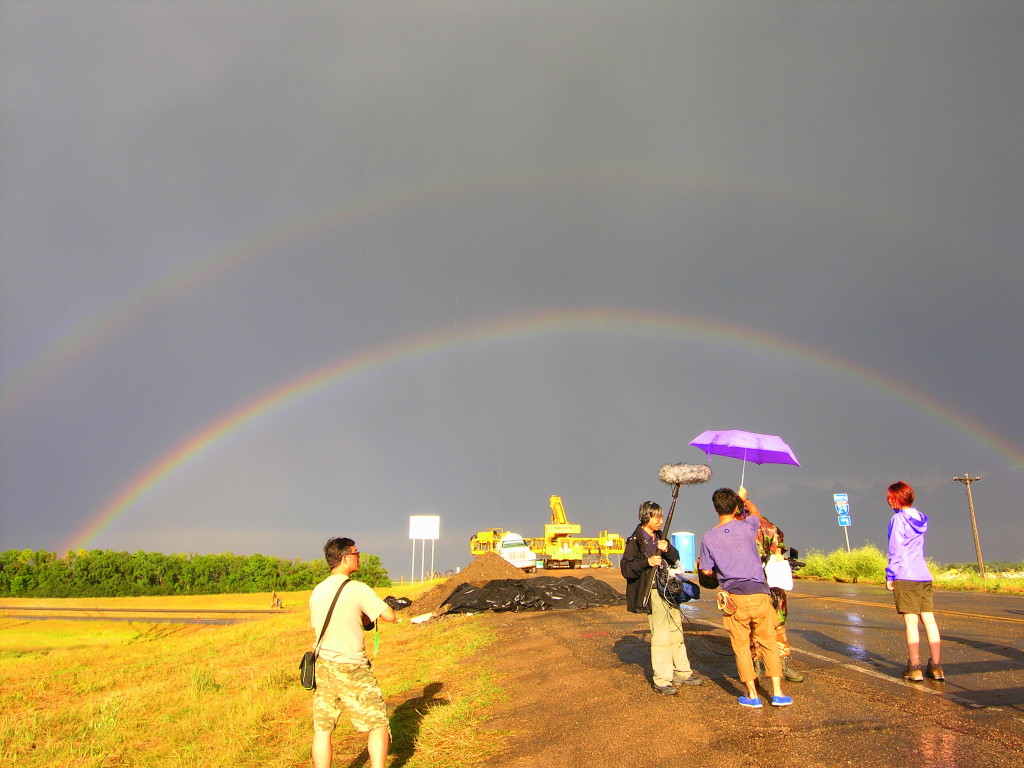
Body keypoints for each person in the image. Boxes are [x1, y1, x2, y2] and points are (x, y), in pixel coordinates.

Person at [699, 487, 792, 708]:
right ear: (735, 508)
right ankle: (778, 693)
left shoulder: (709, 537)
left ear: (715, 508)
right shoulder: (748, 526)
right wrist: (744, 500)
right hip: (760, 594)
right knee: (768, 642)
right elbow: (757, 515)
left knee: (741, 646)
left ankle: (753, 696)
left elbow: (705, 571)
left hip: (735, 598)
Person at [310, 537, 398, 768]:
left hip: (322, 666)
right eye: (356, 553)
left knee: (323, 728)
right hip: (351, 666)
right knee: (378, 722)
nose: (359, 556)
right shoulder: (358, 589)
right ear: (345, 558)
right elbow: (390, 616)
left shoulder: (318, 591)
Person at [621, 500, 704, 695]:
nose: (660, 520)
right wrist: (647, 562)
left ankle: (683, 671)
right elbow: (626, 569)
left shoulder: (661, 537)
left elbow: (675, 558)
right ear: (645, 517)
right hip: (653, 591)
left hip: (669, 590)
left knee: (676, 631)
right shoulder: (635, 541)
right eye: (656, 516)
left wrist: (667, 550)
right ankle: (663, 679)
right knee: (661, 636)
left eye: (661, 516)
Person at [885, 481, 943, 682]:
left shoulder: (898, 520)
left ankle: (915, 667)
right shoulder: (921, 518)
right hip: (924, 574)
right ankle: (936, 667)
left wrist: (890, 575)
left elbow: (896, 550)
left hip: (905, 574)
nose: (888, 501)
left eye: (890, 497)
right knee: (929, 620)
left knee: (911, 622)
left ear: (897, 498)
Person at [750, 514, 805, 682]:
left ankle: (778, 665)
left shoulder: (765, 529)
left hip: (769, 588)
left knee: (771, 627)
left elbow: (779, 554)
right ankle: (758, 667)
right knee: (756, 627)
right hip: (755, 588)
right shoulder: (745, 529)